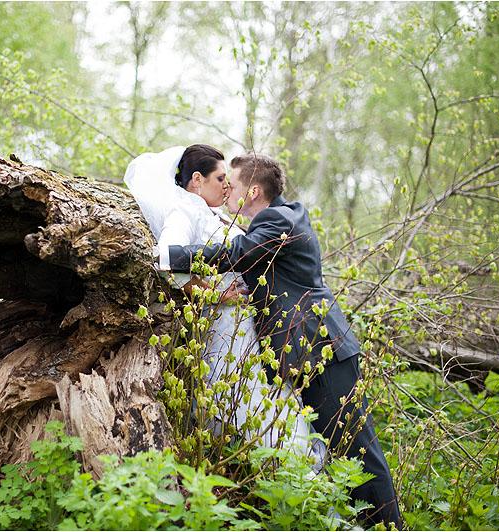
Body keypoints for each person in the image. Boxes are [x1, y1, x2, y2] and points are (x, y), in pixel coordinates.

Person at [166, 152, 402, 530]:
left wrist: (171, 256)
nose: (227, 188)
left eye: (235, 183)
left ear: (254, 191)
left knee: (357, 447)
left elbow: (237, 254)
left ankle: (388, 526)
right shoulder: (278, 217)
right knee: (334, 447)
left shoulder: (279, 219)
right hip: (305, 354)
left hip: (323, 351)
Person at [124, 144, 323, 459]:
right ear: (197, 181)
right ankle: (283, 467)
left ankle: (288, 472)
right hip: (226, 325)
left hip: (247, 331)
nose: (227, 185)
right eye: (220, 178)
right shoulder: (184, 210)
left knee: (266, 398)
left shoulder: (212, 214)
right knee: (246, 402)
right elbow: (166, 260)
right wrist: (212, 294)